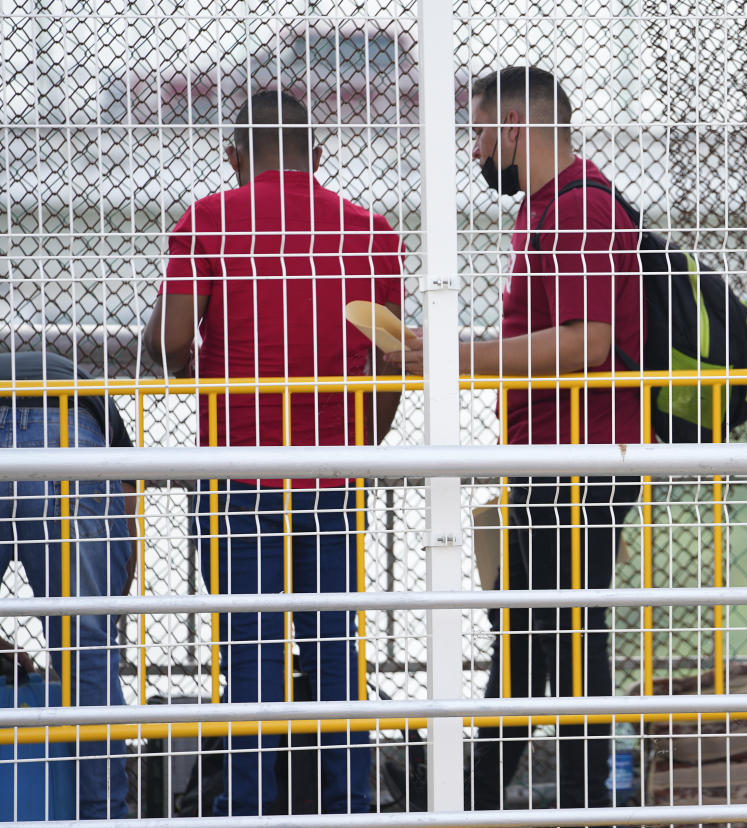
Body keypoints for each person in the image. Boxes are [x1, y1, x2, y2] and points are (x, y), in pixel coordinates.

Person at [390, 65, 643, 815]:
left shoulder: (577, 209)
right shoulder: (548, 207)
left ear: (514, 126)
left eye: (478, 133)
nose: (473, 153)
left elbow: (588, 341)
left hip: (579, 456)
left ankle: (566, 800)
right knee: (532, 638)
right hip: (548, 452)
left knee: (562, 638)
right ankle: (476, 799)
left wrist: (452, 356)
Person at [144, 89, 404, 816]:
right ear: (319, 158)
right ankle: (349, 804)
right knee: (334, 653)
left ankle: (250, 808)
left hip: (237, 472)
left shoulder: (209, 221)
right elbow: (390, 363)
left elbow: (168, 342)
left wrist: (218, 392)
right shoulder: (370, 232)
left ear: (233, 159)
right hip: (333, 472)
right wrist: (363, 441)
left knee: (250, 658)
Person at [0, 350, 135, 819]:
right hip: (69, 422)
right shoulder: (100, 404)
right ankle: (102, 815)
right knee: (87, 650)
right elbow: (125, 496)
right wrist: (111, 605)